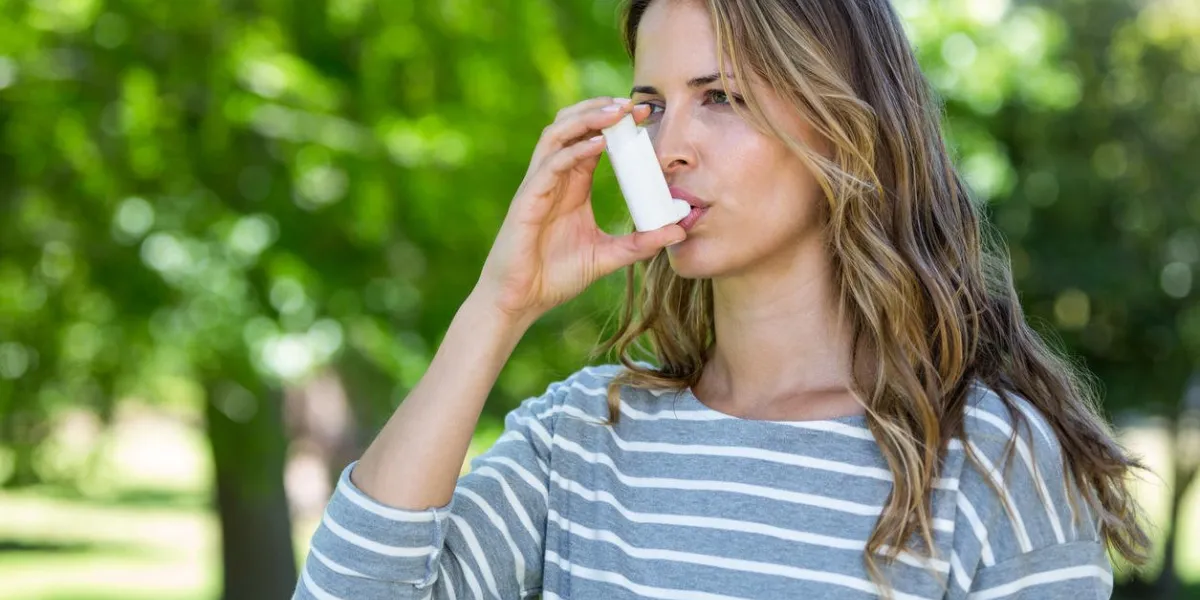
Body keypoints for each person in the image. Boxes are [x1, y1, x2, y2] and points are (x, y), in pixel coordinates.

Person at [293, 0, 1150, 598]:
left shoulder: (989, 464)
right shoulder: (583, 439)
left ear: (849, 121)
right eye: (652, 105)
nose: (670, 147)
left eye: (721, 98)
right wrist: (499, 304)